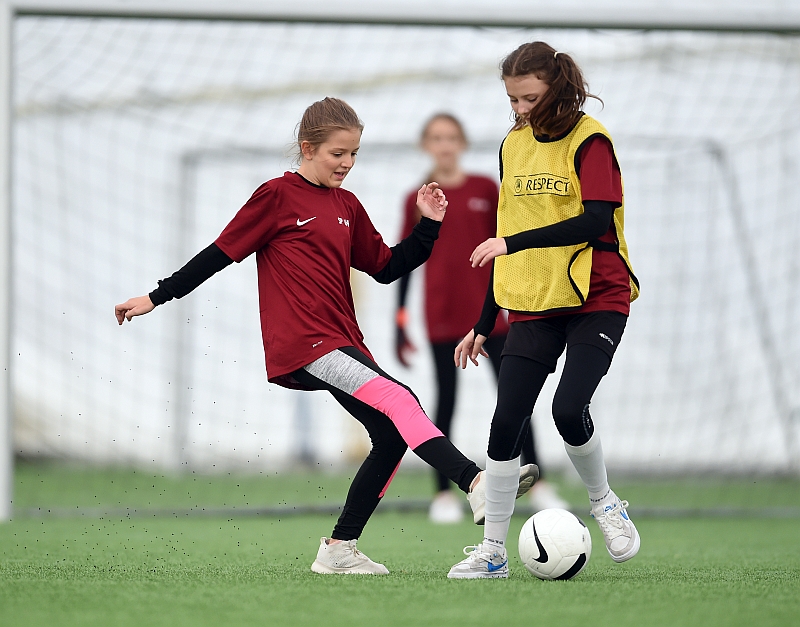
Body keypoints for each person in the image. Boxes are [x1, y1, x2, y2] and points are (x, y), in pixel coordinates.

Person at [114, 97, 538, 576]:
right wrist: (156, 296)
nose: (348, 163)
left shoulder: (347, 205)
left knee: (391, 435)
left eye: (355, 153)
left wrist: (429, 226)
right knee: (403, 401)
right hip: (305, 344)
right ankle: (474, 480)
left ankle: (339, 549)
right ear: (308, 148)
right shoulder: (275, 195)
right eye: (338, 154)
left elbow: (386, 267)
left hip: (343, 341)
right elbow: (218, 254)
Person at [447, 42, 641, 579]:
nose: (520, 110)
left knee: (566, 409)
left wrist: (513, 245)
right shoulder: (514, 143)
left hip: (597, 296)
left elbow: (593, 220)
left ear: (556, 86)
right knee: (505, 418)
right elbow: (504, 236)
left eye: (529, 98)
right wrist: (484, 324)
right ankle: (492, 554)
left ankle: (604, 503)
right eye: (512, 100)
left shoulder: (591, 141)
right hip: (535, 299)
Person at [395, 113, 568, 524]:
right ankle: (444, 493)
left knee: (514, 399)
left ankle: (538, 483)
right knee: (445, 401)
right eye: (436, 138)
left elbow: (509, 243)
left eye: (451, 137)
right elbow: (404, 259)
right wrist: (399, 321)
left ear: (462, 143)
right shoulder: (415, 199)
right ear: (426, 144)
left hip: (492, 314)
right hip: (441, 313)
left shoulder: (486, 189)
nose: (444, 145)